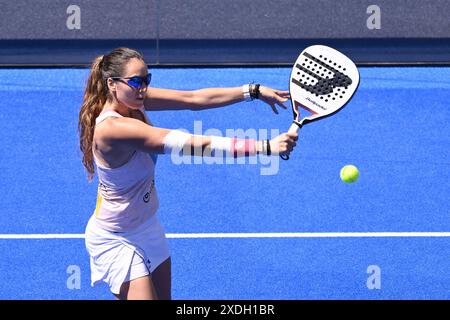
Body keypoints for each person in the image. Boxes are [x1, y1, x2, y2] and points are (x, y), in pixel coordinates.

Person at [78, 47, 298, 300]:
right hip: (115, 237)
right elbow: (195, 145)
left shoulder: (134, 101)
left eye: (147, 79)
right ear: (112, 84)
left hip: (146, 226)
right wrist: (266, 147)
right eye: (136, 81)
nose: (143, 88)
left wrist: (253, 91)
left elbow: (194, 99)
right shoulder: (113, 129)